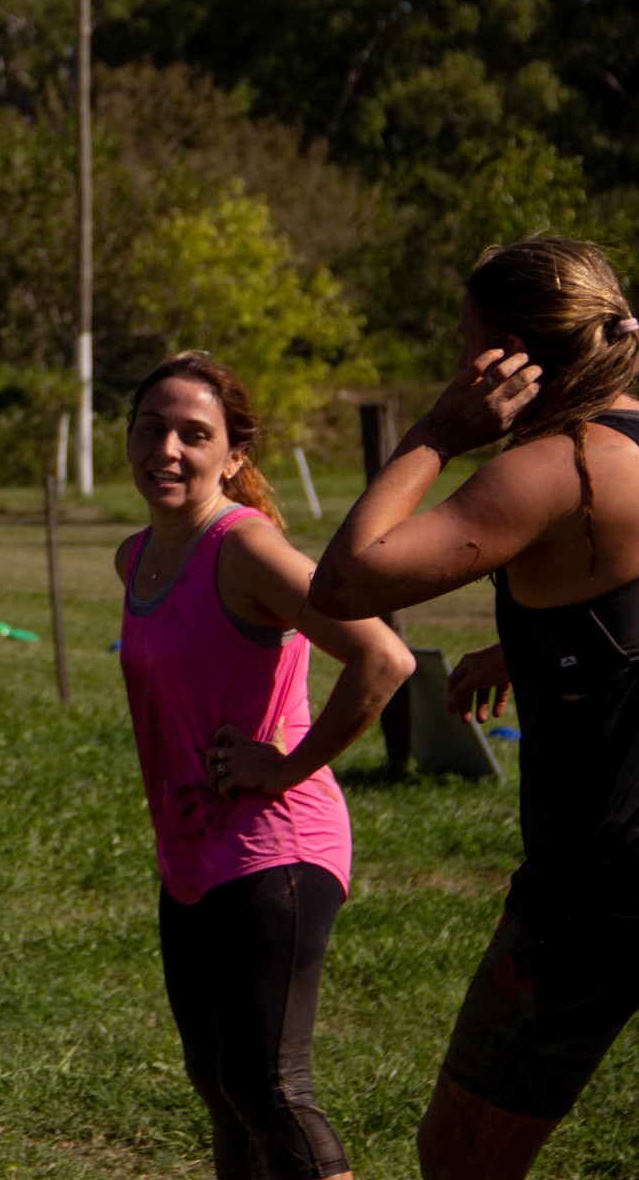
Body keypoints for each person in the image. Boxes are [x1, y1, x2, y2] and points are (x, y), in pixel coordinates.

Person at [308, 237, 639, 1179]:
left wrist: (441, 433)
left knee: (460, 1158)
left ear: (510, 356)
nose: (461, 364)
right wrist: (529, 643)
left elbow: (344, 583)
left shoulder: (558, 471)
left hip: (598, 889)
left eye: (468, 345)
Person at [118, 352, 414, 1180]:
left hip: (274, 849)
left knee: (270, 1087)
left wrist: (284, 768)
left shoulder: (243, 547)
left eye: (194, 434)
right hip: (191, 857)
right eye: (152, 427)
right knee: (221, 1085)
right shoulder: (135, 557)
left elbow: (382, 660)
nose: (167, 449)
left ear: (233, 456)